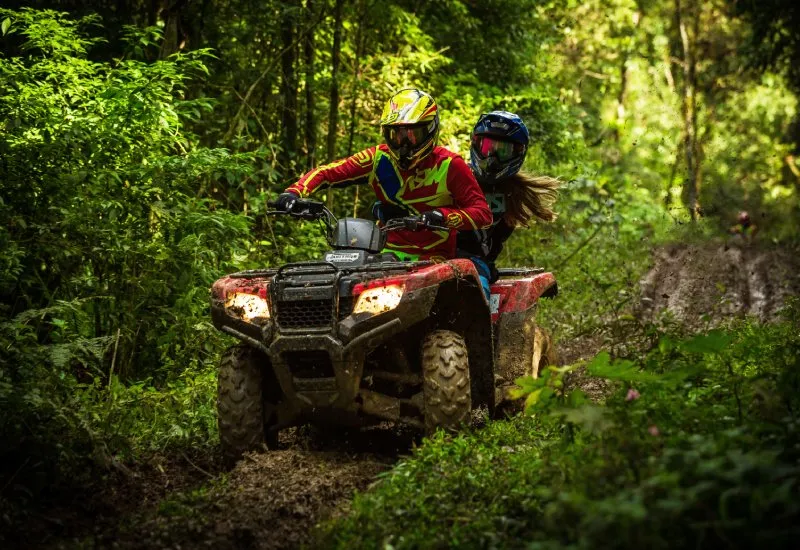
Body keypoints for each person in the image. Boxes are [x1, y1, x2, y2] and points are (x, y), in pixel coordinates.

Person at [275, 88, 492, 262]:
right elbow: (327, 172)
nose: (404, 144)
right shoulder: (378, 158)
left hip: (434, 259)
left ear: (430, 130)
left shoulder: (449, 165)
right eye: (396, 135)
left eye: (412, 135)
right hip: (383, 254)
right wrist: (293, 193)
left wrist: (442, 217)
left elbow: (482, 213)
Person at [457, 111, 560, 298]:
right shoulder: (455, 176)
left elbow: (495, 241)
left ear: (518, 152)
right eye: (488, 147)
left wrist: (486, 263)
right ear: (475, 143)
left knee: (475, 297)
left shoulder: (513, 193)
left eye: (502, 151)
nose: (492, 157)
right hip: (433, 257)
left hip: (474, 266)